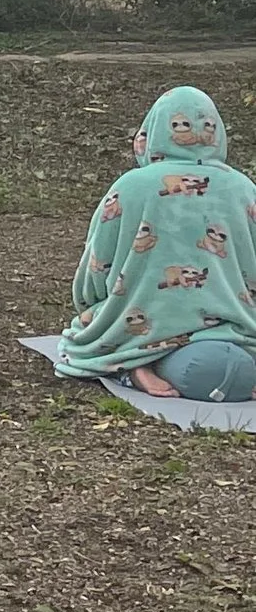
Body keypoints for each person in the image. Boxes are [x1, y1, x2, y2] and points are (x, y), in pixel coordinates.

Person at [61, 83, 256, 399]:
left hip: (142, 330)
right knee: (224, 366)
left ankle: (134, 364)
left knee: (206, 367)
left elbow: (96, 268)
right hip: (236, 330)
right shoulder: (245, 190)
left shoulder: (132, 186)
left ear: (149, 134)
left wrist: (93, 306)